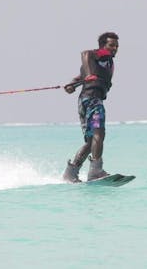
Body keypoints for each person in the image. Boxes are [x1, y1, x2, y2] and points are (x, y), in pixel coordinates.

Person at [62, 32, 119, 183]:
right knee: (99, 133)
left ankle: (71, 173)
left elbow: (82, 77)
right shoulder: (97, 55)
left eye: (116, 46)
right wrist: (88, 74)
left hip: (85, 101)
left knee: (91, 141)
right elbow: (85, 54)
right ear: (102, 46)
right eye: (111, 45)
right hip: (93, 101)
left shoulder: (105, 63)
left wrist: (72, 85)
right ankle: (95, 171)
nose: (114, 48)